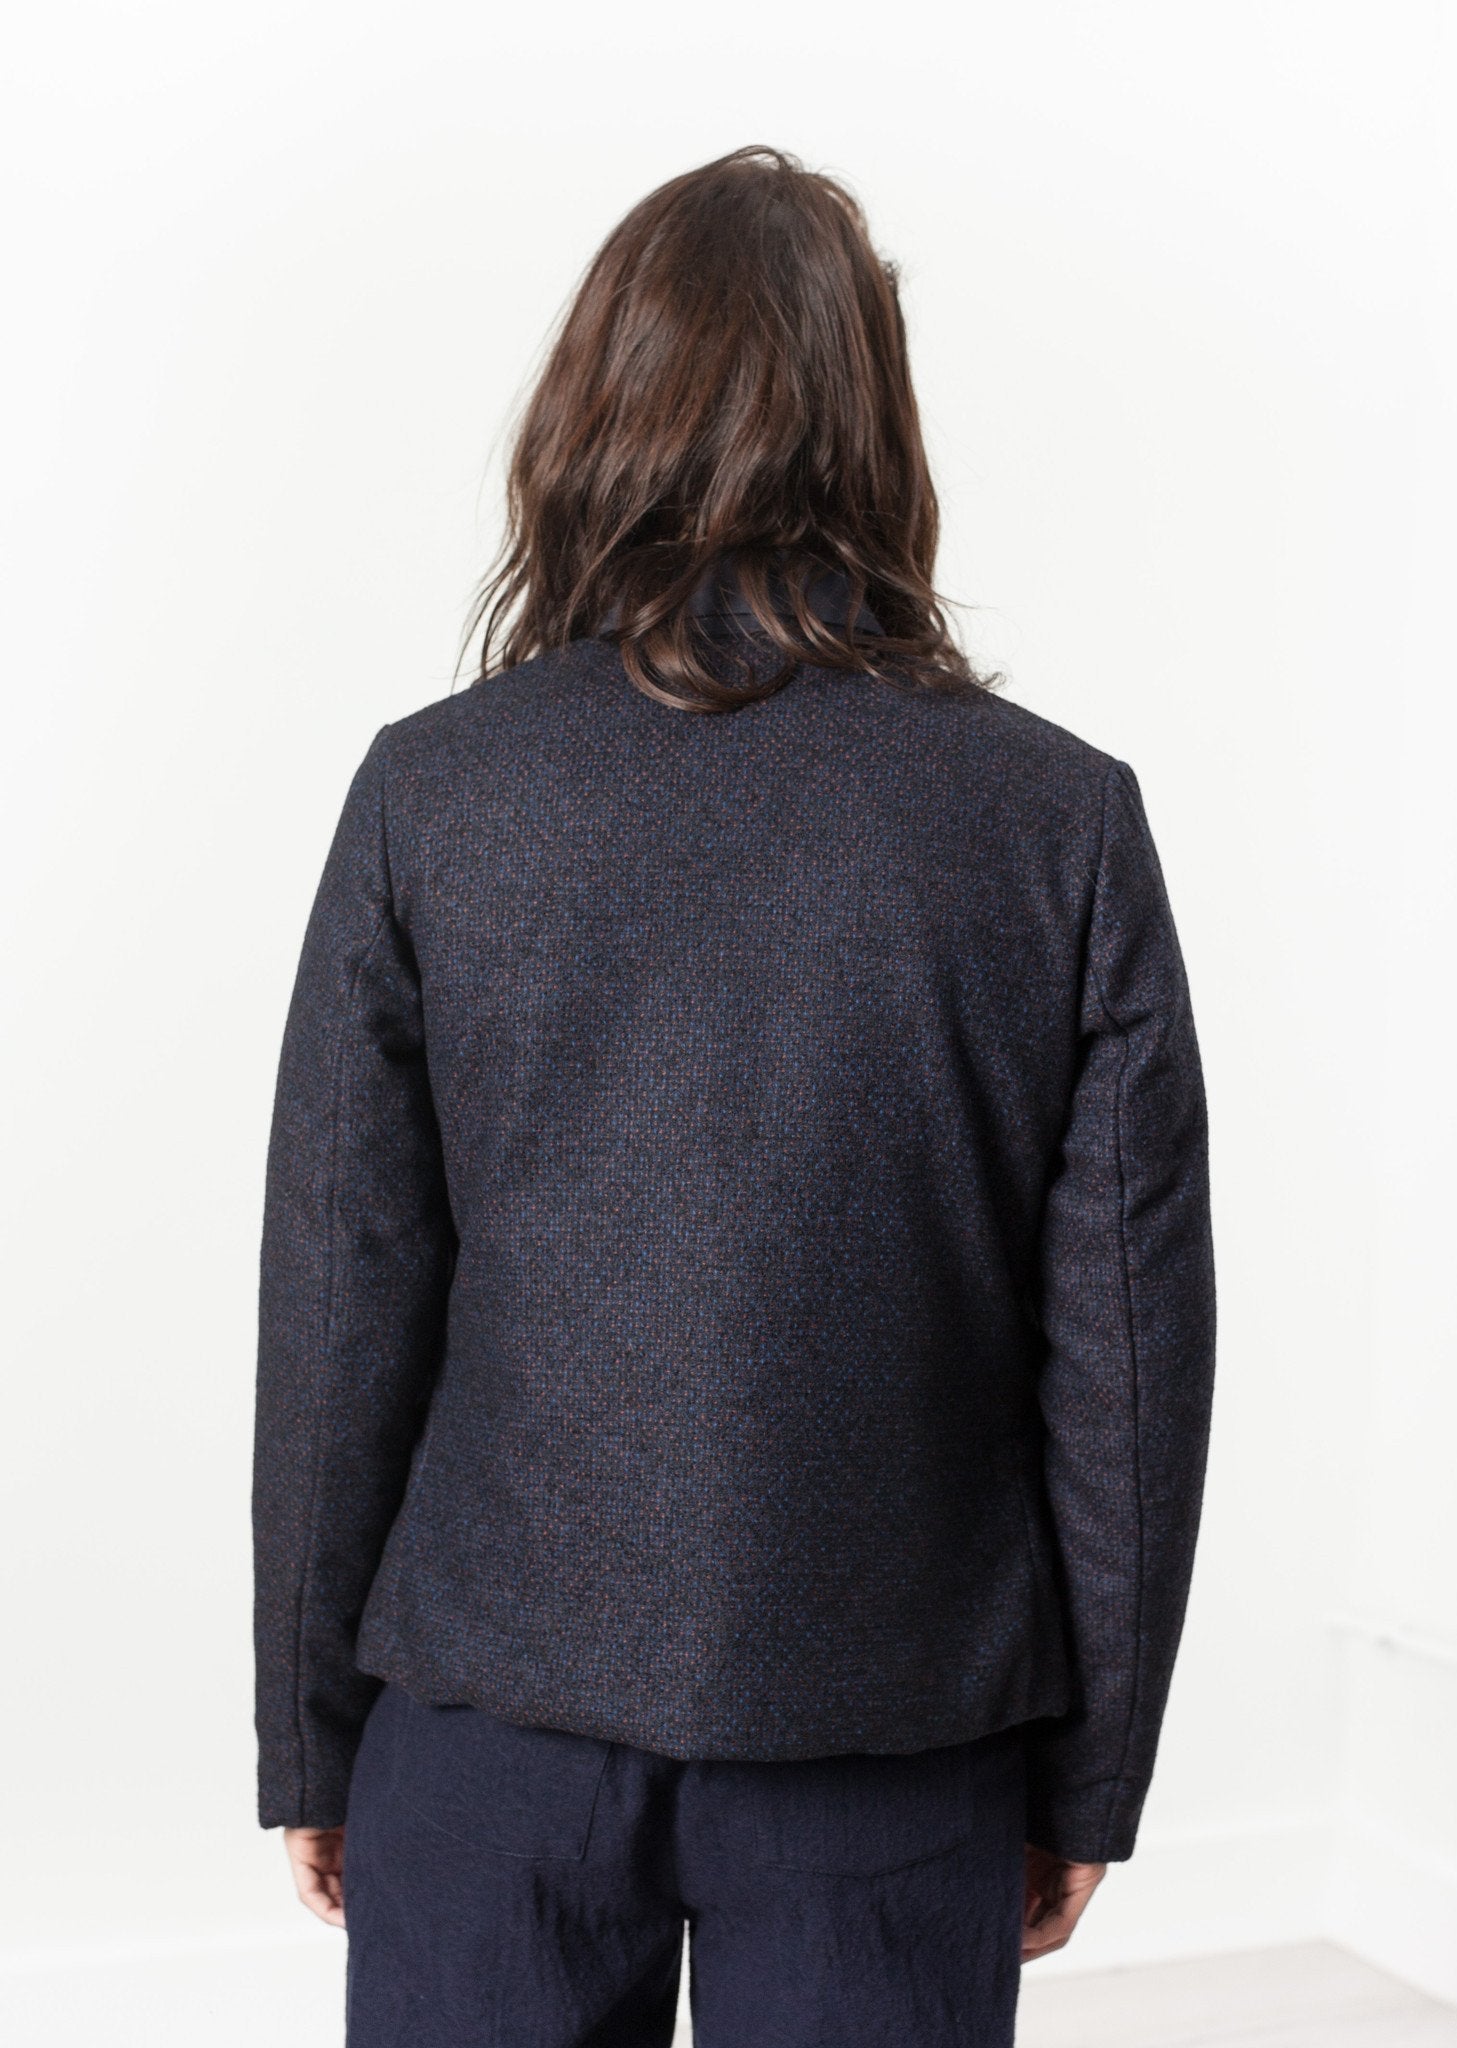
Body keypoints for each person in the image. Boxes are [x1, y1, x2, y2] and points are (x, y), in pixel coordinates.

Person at [252, 144, 1216, 2047]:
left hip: (490, 1730)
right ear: (878, 426)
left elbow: (343, 1303)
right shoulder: (1057, 823)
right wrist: (1090, 1773)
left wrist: (313, 1731)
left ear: (593, 410)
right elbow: (1125, 1359)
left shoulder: (435, 793)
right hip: (897, 1743)